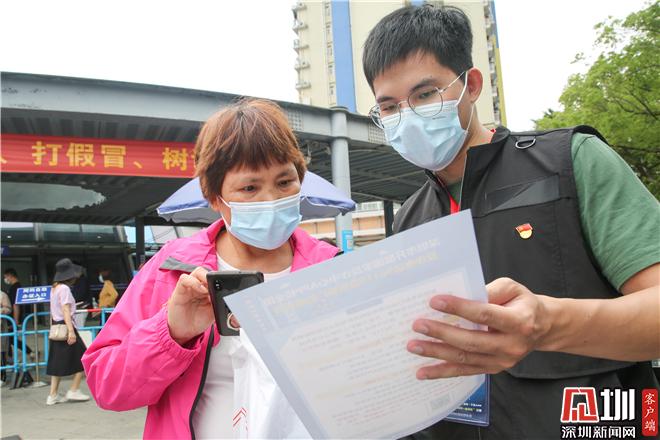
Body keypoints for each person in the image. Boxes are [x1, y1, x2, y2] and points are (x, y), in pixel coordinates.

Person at [362, 5, 660, 439]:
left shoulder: (569, 162)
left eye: (425, 95)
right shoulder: (409, 218)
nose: (407, 116)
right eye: (389, 107)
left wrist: (548, 324)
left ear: (471, 85)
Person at [82, 99, 339, 438]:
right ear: (215, 197)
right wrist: (171, 331)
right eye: (249, 188)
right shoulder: (171, 270)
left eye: (284, 182)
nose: (271, 199)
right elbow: (107, 386)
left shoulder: (333, 269)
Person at [46, 258, 91, 405]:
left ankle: (52, 395)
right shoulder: (65, 289)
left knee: (56, 362)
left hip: (57, 328)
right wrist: (71, 331)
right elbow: (66, 309)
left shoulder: (54, 288)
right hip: (66, 327)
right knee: (84, 357)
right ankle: (74, 390)